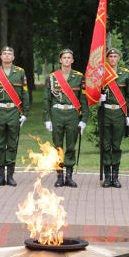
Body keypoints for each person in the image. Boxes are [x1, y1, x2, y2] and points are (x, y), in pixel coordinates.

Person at [43, 49, 89, 188]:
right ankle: (59, 176)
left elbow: (83, 99)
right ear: (60, 60)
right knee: (58, 146)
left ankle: (69, 177)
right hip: (57, 113)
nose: (67, 60)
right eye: (64, 58)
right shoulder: (52, 77)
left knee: (70, 146)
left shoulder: (79, 77)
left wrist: (84, 119)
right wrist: (47, 118)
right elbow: (47, 99)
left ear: (73, 60)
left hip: (72, 115)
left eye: (69, 57)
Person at [0, 46, 29, 186]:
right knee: (0, 145)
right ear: (0, 56)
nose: (6, 56)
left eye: (9, 54)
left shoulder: (20, 72)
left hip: (13, 112)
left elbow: (25, 94)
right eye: (4, 54)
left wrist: (25, 113)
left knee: (12, 144)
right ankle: (0, 176)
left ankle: (10, 176)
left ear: (13, 57)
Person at [98, 48, 129, 188]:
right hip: (105, 112)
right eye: (110, 56)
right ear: (107, 58)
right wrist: (98, 97)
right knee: (105, 146)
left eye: (115, 56)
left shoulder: (125, 74)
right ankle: (107, 177)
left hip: (118, 113)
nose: (112, 59)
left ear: (119, 58)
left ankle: (115, 177)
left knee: (116, 146)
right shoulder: (102, 73)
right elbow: (94, 90)